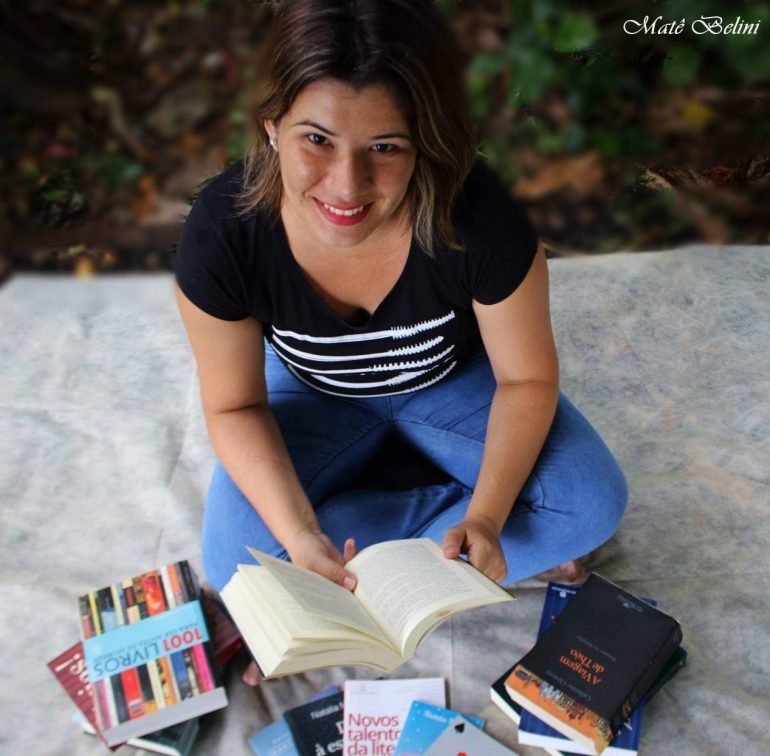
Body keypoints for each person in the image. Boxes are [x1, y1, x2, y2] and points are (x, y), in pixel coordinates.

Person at [173, 0, 628, 658]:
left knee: (591, 501)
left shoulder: (482, 218)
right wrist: (299, 538)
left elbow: (527, 379)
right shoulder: (224, 233)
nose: (347, 185)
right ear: (272, 126)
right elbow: (234, 405)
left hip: (452, 379)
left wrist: (488, 515)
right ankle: (438, 543)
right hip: (312, 392)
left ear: (425, 142)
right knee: (234, 568)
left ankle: (411, 541)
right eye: (317, 140)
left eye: (385, 147)